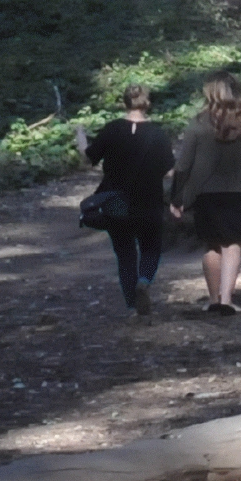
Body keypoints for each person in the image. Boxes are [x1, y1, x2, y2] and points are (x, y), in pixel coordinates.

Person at [172, 72, 241, 315]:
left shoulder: (198, 122)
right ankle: (226, 300)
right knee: (233, 243)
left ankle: (213, 299)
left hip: (205, 191)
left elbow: (183, 164)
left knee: (211, 244)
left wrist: (178, 195)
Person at [75, 84, 175, 317]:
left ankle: (132, 307)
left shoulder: (111, 130)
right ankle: (145, 280)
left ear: (124, 103)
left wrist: (80, 136)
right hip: (149, 199)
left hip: (116, 200)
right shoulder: (158, 134)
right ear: (147, 103)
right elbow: (169, 172)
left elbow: (87, 158)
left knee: (125, 254)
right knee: (151, 248)